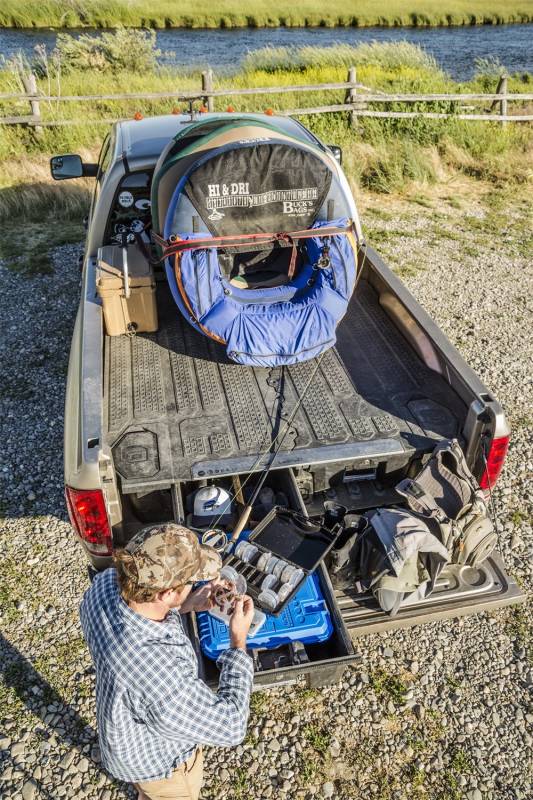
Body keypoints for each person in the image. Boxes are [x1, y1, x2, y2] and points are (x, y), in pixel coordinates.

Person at [79, 523, 255, 800]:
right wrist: (238, 642)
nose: (194, 585)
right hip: (162, 769)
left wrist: (186, 604)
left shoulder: (105, 585)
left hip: (127, 742)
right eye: (189, 582)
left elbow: (147, 612)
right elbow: (232, 727)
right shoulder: (159, 674)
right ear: (165, 593)